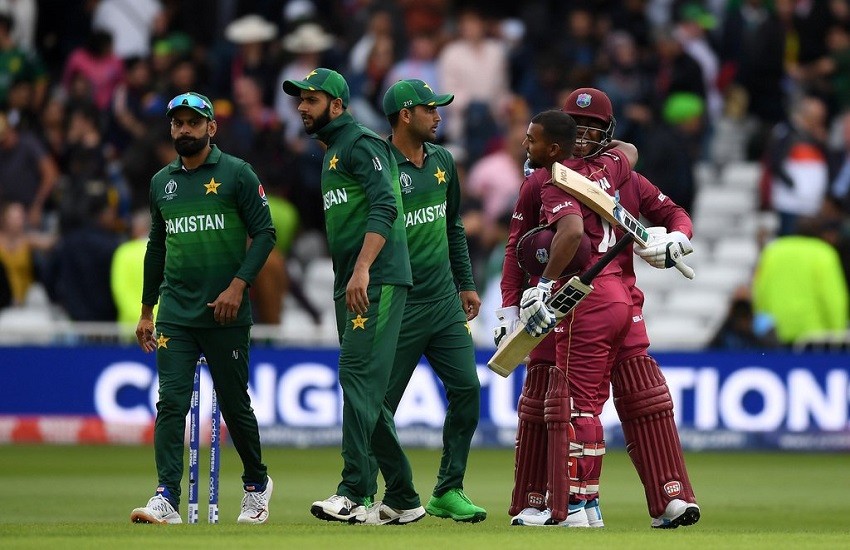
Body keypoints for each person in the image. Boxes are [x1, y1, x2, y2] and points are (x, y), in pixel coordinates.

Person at [500, 88, 700, 529]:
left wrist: (677, 238)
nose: (585, 135)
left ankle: (667, 497)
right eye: (577, 126)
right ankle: (540, 498)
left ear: (607, 131)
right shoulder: (546, 179)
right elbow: (516, 248)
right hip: (554, 307)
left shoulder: (621, 175)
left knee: (644, 399)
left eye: (594, 127)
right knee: (543, 400)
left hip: (600, 301)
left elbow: (675, 213)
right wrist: (509, 310)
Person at [282, 68, 422, 524]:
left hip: (375, 279)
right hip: (354, 281)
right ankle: (402, 496)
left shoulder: (361, 144)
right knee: (365, 390)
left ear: (337, 105)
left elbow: (386, 205)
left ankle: (354, 493)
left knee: (357, 377)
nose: (302, 107)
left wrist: (362, 269)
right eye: (300, 99)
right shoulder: (333, 151)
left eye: (312, 99)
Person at [130, 92, 275, 525]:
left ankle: (256, 485)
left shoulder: (237, 174)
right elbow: (157, 247)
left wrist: (238, 287)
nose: (184, 130)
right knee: (170, 403)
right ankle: (166, 497)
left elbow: (265, 233)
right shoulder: (162, 182)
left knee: (234, 404)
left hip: (225, 312)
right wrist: (146, 310)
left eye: (193, 122)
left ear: (211, 127)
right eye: (178, 123)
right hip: (176, 312)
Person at [375, 79, 486, 523]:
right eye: (430, 109)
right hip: (399, 304)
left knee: (468, 390)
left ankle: (448, 489)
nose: (439, 116)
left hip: (443, 302)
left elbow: (452, 224)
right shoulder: (380, 165)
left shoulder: (442, 160)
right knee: (377, 407)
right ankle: (380, 491)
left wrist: (466, 283)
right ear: (405, 115)